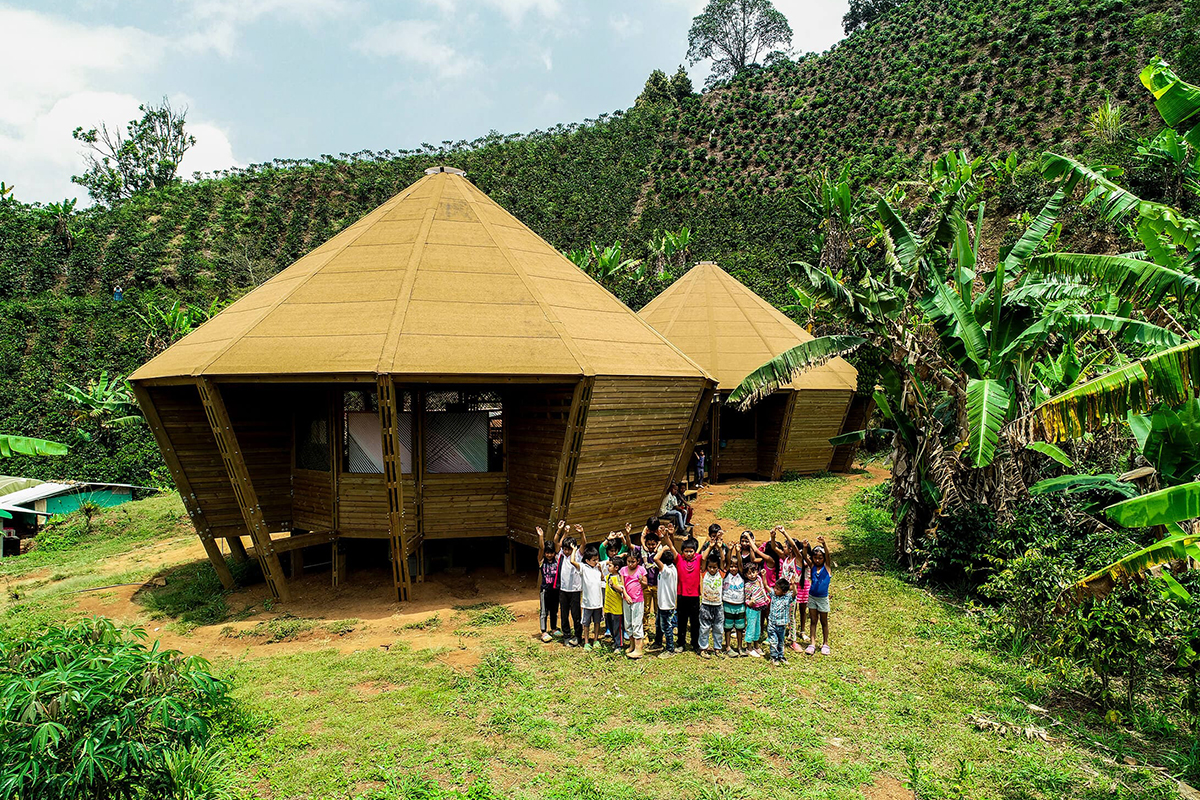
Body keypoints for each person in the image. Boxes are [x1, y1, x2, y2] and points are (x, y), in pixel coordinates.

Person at [557, 523, 584, 647]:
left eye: (568, 549)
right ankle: (566, 635)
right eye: (565, 549)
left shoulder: (577, 554)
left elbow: (584, 544)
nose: (566, 551)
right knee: (564, 614)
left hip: (575, 590)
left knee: (576, 614)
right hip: (563, 589)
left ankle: (578, 636)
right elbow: (558, 544)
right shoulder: (561, 555)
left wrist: (581, 533)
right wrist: (565, 533)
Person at [575, 541, 605, 651]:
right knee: (586, 623)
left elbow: (602, 579)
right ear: (587, 560)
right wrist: (574, 550)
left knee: (597, 622)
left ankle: (596, 639)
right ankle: (587, 641)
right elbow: (573, 562)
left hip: (598, 602)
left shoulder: (598, 568)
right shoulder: (583, 568)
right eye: (594, 560)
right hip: (587, 603)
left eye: (597, 559)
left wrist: (601, 570)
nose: (597, 561)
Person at [675, 536, 703, 653]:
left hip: (695, 596)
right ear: (682, 552)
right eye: (686, 551)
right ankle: (681, 643)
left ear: (695, 551)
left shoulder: (698, 559)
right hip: (681, 595)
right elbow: (671, 547)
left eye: (691, 551)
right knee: (681, 621)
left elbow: (706, 554)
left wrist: (713, 544)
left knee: (695, 621)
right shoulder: (679, 559)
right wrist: (667, 536)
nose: (688, 553)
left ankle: (695, 643)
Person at [619, 550, 649, 659]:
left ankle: (638, 648)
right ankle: (632, 645)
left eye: (633, 562)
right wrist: (626, 595)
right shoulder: (623, 570)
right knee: (628, 623)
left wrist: (641, 581)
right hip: (626, 599)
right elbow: (622, 585)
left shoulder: (641, 570)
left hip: (638, 600)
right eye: (628, 561)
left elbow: (645, 584)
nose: (630, 564)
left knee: (637, 623)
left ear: (638, 561)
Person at [535, 524, 562, 643]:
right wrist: (541, 537)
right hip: (545, 589)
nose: (549, 555)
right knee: (544, 611)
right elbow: (541, 549)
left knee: (554, 610)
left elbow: (557, 546)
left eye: (551, 553)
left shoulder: (556, 560)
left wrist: (560, 530)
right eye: (547, 553)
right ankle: (544, 631)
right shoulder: (541, 561)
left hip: (555, 589)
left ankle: (554, 628)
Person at [806, 536, 832, 655]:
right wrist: (805, 547)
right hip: (812, 597)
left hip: (822, 599)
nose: (817, 560)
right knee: (813, 620)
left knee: (824, 621)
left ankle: (825, 643)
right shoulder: (812, 567)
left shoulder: (827, 568)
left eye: (820, 558)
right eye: (815, 558)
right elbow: (804, 556)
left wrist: (824, 544)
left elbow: (828, 555)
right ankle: (812, 643)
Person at [654, 533, 679, 657]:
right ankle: (658, 642)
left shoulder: (667, 571)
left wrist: (663, 549)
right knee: (659, 624)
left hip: (666, 604)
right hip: (662, 603)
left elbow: (655, 559)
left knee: (666, 627)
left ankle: (670, 649)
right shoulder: (672, 568)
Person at [698, 550, 724, 659]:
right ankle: (703, 648)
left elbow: (722, 559)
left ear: (718, 567)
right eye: (710, 567)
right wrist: (711, 546)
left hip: (718, 606)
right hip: (705, 605)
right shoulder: (704, 573)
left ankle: (717, 648)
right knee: (704, 628)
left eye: (714, 567)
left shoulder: (721, 574)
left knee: (718, 628)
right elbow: (703, 559)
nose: (712, 569)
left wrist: (718, 546)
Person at [721, 549, 746, 657]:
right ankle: (728, 646)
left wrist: (738, 552)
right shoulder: (726, 574)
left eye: (735, 566)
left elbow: (740, 563)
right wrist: (730, 550)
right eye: (731, 566)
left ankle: (740, 647)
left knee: (740, 628)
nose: (733, 568)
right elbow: (726, 561)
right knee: (728, 627)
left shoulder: (741, 575)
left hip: (740, 605)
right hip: (728, 604)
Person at [743, 560, 770, 658]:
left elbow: (762, 588)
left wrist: (765, 597)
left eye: (753, 572)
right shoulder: (747, 585)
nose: (752, 575)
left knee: (758, 627)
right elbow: (746, 599)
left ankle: (756, 646)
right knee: (751, 627)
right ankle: (749, 648)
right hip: (752, 609)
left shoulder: (758, 578)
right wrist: (750, 602)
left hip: (759, 608)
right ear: (746, 575)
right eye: (749, 573)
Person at [767, 577, 794, 665]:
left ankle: (781, 656)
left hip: (782, 625)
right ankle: (774, 657)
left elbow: (795, 594)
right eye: (775, 587)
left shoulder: (787, 597)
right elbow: (766, 586)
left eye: (777, 589)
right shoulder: (773, 595)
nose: (775, 590)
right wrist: (764, 576)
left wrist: (793, 584)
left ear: (784, 591)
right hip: (772, 623)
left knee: (781, 641)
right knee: (773, 641)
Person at [603, 557, 625, 652]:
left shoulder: (620, 577)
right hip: (609, 606)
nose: (608, 567)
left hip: (617, 607)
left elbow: (622, 590)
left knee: (617, 627)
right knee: (611, 625)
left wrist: (614, 585)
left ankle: (619, 644)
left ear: (616, 567)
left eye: (610, 565)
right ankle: (614, 640)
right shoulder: (608, 577)